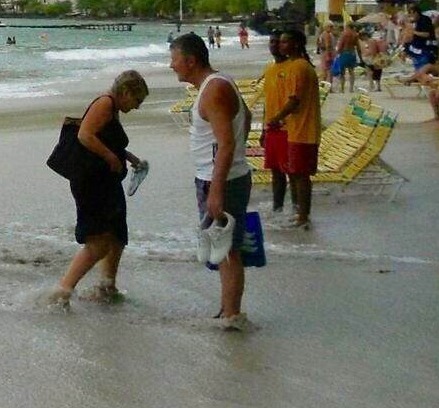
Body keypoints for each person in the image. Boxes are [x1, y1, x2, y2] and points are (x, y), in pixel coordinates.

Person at [170, 32, 254, 331]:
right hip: (219, 176)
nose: (172, 66)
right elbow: (248, 114)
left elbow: (227, 143)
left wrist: (216, 189)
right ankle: (228, 309)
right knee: (221, 248)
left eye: (175, 60)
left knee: (227, 248)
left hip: (222, 180)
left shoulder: (214, 90)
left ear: (191, 61)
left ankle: (233, 315)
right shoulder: (218, 83)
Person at [49, 71, 152, 305]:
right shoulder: (105, 103)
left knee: (117, 236)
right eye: (137, 101)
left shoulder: (112, 107)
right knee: (97, 242)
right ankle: (62, 292)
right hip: (91, 182)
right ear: (125, 92)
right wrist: (110, 157)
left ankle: (106, 286)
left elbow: (105, 139)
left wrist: (128, 157)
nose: (136, 107)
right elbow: (85, 135)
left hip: (106, 181)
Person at [261, 28, 321, 230]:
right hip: (291, 129)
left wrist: (277, 119)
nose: (279, 45)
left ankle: (302, 215)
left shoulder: (298, 67)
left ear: (295, 44)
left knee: (298, 174)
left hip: (299, 129)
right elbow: (268, 102)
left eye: (284, 41)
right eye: (278, 42)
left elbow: (294, 100)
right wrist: (267, 125)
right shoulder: (280, 68)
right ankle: (293, 213)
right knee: (287, 172)